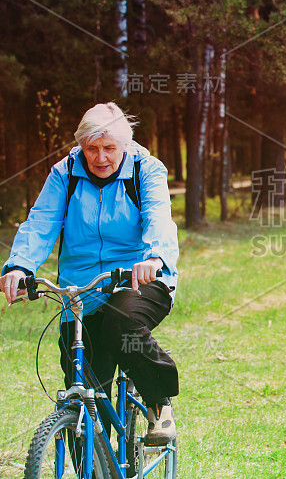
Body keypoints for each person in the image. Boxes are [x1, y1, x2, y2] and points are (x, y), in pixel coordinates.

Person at [0, 102, 180, 445]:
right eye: (92, 148)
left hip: (139, 279)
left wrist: (154, 257)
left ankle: (159, 401)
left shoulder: (146, 170)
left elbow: (159, 217)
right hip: (80, 289)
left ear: (124, 146)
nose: (100, 158)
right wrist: (19, 265)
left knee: (120, 320)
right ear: (81, 145)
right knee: (82, 393)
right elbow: (41, 223)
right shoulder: (64, 173)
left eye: (109, 148)